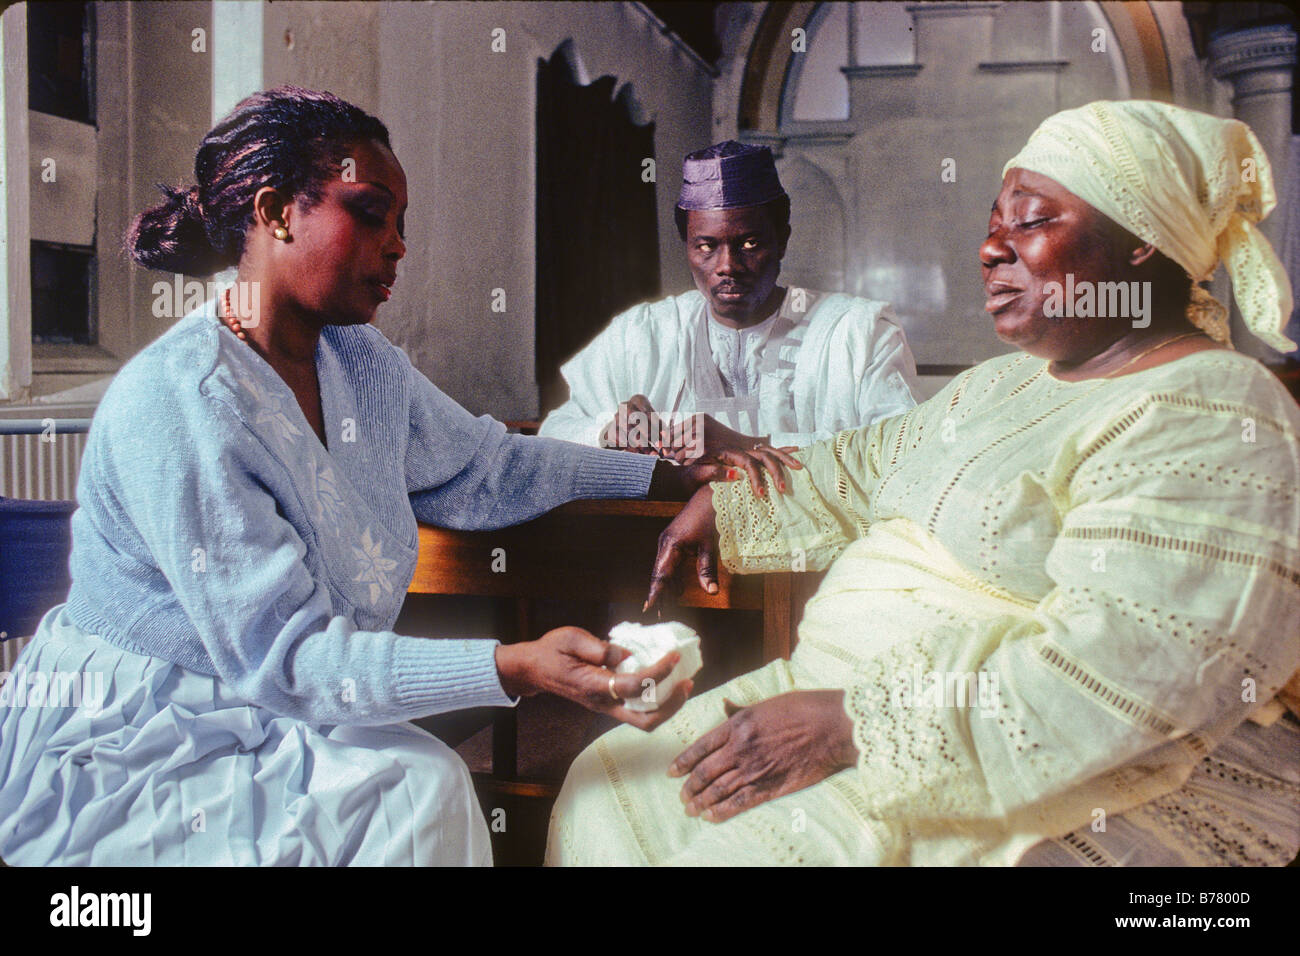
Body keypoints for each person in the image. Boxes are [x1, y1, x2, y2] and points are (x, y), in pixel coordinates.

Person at [546, 100, 1300, 867]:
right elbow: (865, 460)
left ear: (1142, 245)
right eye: (992, 221)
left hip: (956, 739)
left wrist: (850, 726)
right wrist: (729, 497)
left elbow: (1132, 659)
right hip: (824, 683)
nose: (989, 247)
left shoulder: (1213, 408)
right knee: (605, 785)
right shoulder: (1004, 384)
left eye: (1030, 222)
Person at [0, 87, 722, 866]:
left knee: (420, 786)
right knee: (420, 787)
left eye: (402, 223)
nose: (400, 246)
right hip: (147, 734)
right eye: (372, 212)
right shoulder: (185, 404)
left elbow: (486, 465)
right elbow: (294, 659)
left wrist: (664, 473)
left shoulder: (357, 358)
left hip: (277, 704)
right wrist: (514, 666)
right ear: (277, 212)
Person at [537, 140, 919, 472]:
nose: (727, 266)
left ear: (782, 240)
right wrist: (607, 430)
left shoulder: (858, 331)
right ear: (687, 246)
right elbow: (554, 433)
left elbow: (901, 452)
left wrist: (748, 443)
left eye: (750, 243)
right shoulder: (643, 333)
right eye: (706, 246)